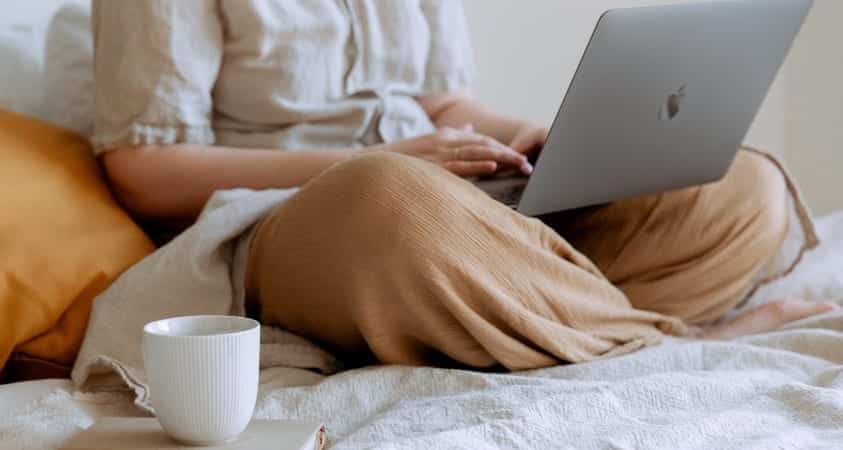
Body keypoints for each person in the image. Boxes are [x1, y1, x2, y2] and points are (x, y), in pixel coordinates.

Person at [91, 0, 834, 370]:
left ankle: (531, 317)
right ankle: (683, 341)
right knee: (387, 197)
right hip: (309, 215)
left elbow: (446, 103)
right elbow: (143, 170)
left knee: (738, 185)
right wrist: (385, 163)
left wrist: (530, 137)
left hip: (448, 199)